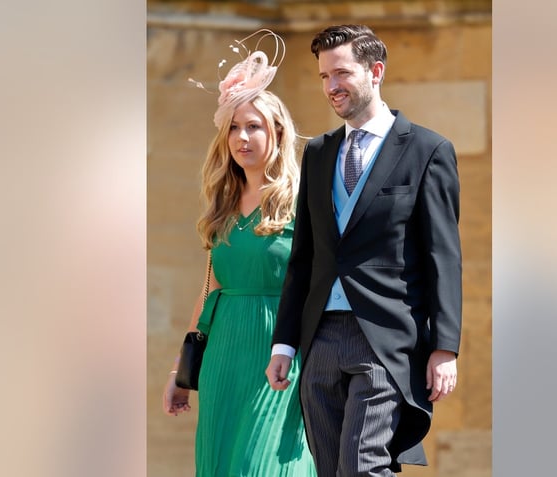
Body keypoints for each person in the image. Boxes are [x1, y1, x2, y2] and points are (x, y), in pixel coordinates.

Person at [265, 24, 463, 476]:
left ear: (375, 71)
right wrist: (285, 343)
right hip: (320, 339)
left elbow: (443, 257)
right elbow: (304, 257)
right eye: (323, 77)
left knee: (362, 466)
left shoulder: (428, 151)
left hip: (385, 337)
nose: (331, 87)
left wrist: (445, 347)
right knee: (333, 469)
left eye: (341, 74)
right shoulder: (317, 153)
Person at [162, 30, 316, 477]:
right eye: (233, 126)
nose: (241, 137)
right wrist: (181, 370)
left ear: (278, 132)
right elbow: (208, 290)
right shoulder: (221, 206)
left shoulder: (303, 201)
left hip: (279, 355)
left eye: (254, 126)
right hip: (224, 354)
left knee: (262, 465)